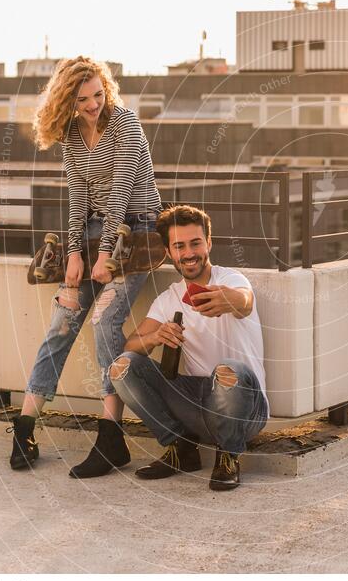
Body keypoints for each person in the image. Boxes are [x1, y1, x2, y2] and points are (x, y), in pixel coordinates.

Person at [8, 56, 162, 478]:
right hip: (95, 235)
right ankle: (24, 429)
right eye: (83, 99)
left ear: (106, 89)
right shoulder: (73, 134)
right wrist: (75, 253)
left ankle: (111, 437)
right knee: (62, 322)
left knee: (106, 320)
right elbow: (79, 198)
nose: (93, 105)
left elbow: (120, 196)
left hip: (137, 233)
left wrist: (108, 255)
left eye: (98, 94)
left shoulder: (126, 125)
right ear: (67, 101)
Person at [108, 205, 268, 491]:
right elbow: (131, 344)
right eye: (179, 246)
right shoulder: (169, 299)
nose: (189, 253)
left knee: (228, 371)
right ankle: (180, 449)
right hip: (196, 403)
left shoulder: (230, 280)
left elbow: (244, 300)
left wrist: (227, 300)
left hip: (245, 407)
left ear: (208, 242)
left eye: (195, 243)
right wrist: (157, 335)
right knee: (122, 366)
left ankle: (229, 455)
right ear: (170, 252)